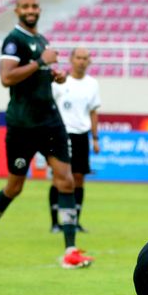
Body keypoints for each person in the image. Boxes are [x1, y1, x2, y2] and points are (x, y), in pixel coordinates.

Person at [0, 0, 94, 269]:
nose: (31, 10)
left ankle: (70, 251)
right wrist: (40, 63)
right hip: (22, 126)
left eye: (34, 5)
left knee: (65, 179)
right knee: (14, 187)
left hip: (50, 122)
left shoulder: (41, 40)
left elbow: (37, 72)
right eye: (25, 6)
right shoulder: (14, 40)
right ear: (17, 10)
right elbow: (6, 77)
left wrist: (53, 74)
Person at [49, 47, 101, 233]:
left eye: (85, 58)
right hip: (61, 135)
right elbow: (50, 107)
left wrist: (95, 138)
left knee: (79, 178)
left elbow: (93, 111)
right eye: (78, 57)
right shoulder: (60, 82)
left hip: (81, 136)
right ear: (71, 59)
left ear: (89, 61)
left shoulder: (92, 84)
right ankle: (55, 223)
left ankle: (75, 221)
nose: (81, 61)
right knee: (59, 178)